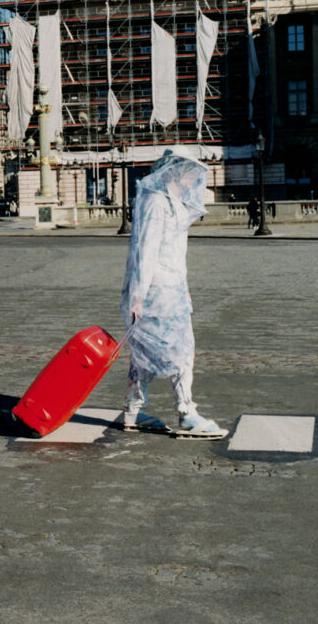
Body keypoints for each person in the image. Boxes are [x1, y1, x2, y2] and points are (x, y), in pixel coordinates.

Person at [120, 151, 227, 439]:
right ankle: (186, 412)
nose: (195, 179)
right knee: (181, 351)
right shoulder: (156, 202)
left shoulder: (168, 201)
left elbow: (173, 255)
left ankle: (132, 410)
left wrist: (184, 290)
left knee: (143, 353)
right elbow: (146, 251)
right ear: (177, 172)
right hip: (158, 291)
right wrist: (138, 295)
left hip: (169, 288)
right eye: (191, 172)